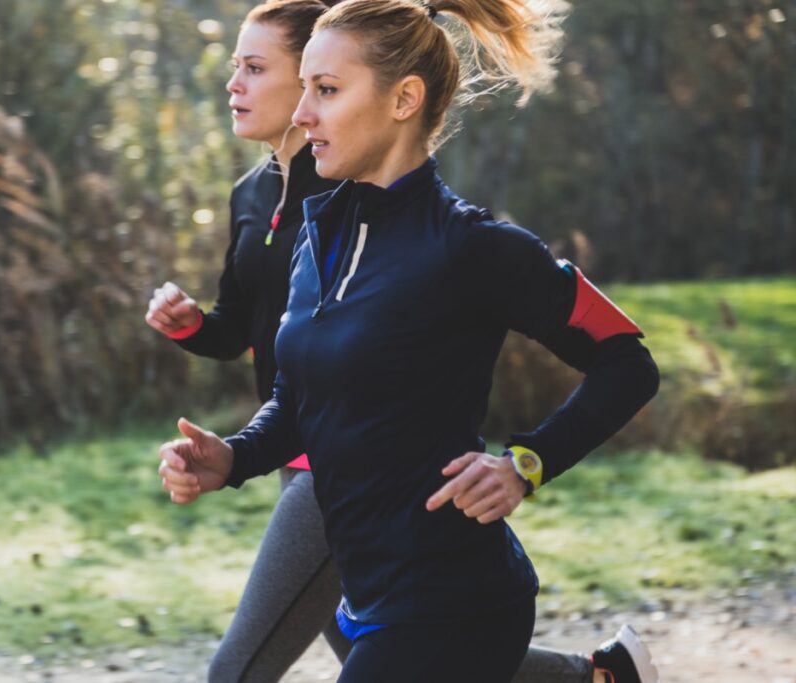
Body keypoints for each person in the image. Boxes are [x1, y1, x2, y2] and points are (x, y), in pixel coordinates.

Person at [149, 1, 659, 681]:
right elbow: (299, 401)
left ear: (404, 99)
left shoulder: (473, 248)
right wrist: (233, 457)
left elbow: (628, 361)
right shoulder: (316, 239)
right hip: (372, 599)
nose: (303, 113)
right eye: (303, 88)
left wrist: (527, 463)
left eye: (325, 90)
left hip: (457, 602)